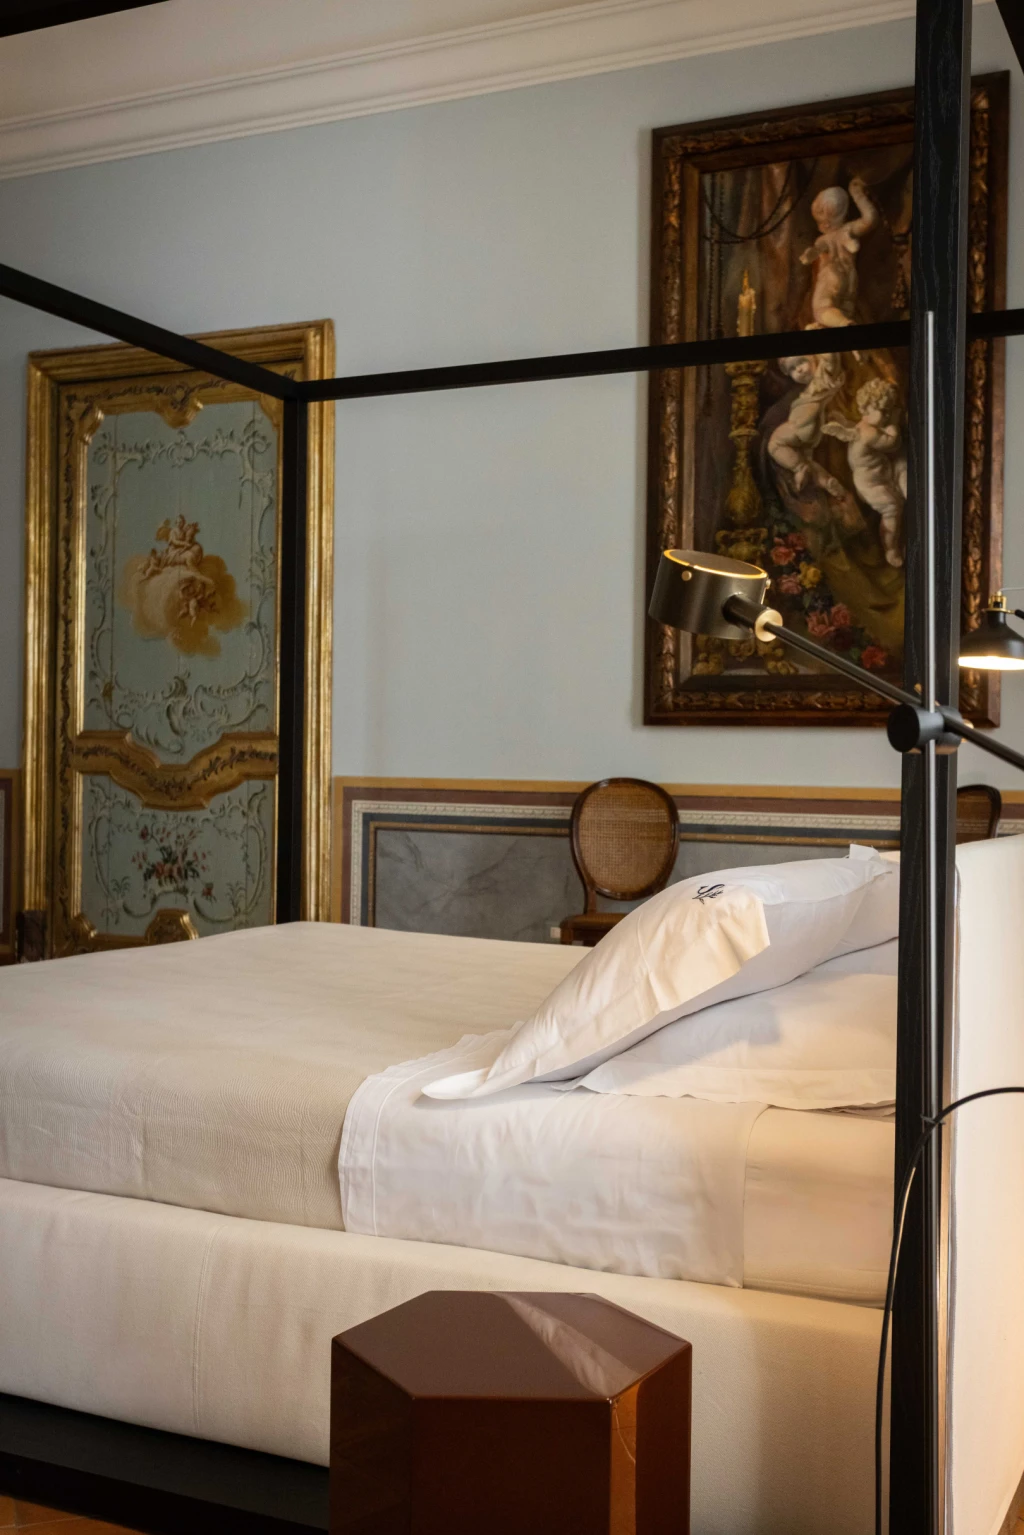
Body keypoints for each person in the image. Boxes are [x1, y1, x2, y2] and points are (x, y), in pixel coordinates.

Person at [822, 377, 907, 567]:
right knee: (892, 509)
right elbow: (892, 443)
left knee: (899, 497)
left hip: (877, 477)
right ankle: (890, 549)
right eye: (883, 411)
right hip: (870, 483)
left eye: (888, 411)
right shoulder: (869, 433)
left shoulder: (861, 425)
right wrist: (894, 424)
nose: (886, 416)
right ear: (866, 409)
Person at [799, 177, 879, 329]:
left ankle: (845, 323)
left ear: (826, 222)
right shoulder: (848, 230)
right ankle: (844, 322)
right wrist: (857, 194)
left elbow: (818, 248)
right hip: (850, 280)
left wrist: (810, 255)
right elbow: (870, 219)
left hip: (831, 277)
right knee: (845, 310)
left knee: (821, 309)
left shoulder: (824, 238)